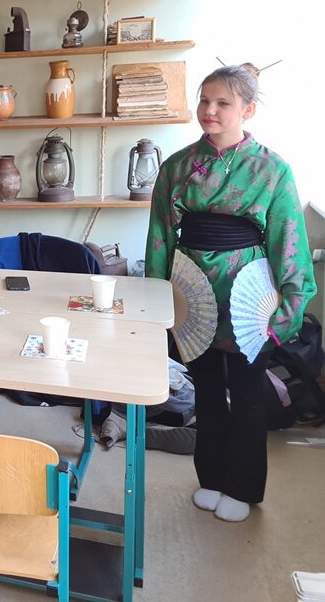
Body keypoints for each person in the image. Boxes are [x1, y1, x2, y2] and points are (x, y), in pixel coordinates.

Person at [145, 65, 316, 522]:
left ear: (248, 109)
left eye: (223, 102)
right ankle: (212, 479)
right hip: (191, 288)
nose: (210, 110)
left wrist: (290, 302)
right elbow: (160, 235)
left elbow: (288, 238)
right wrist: (158, 298)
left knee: (247, 393)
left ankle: (243, 486)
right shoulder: (177, 165)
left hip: (248, 293)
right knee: (205, 390)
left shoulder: (272, 169)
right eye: (205, 100)